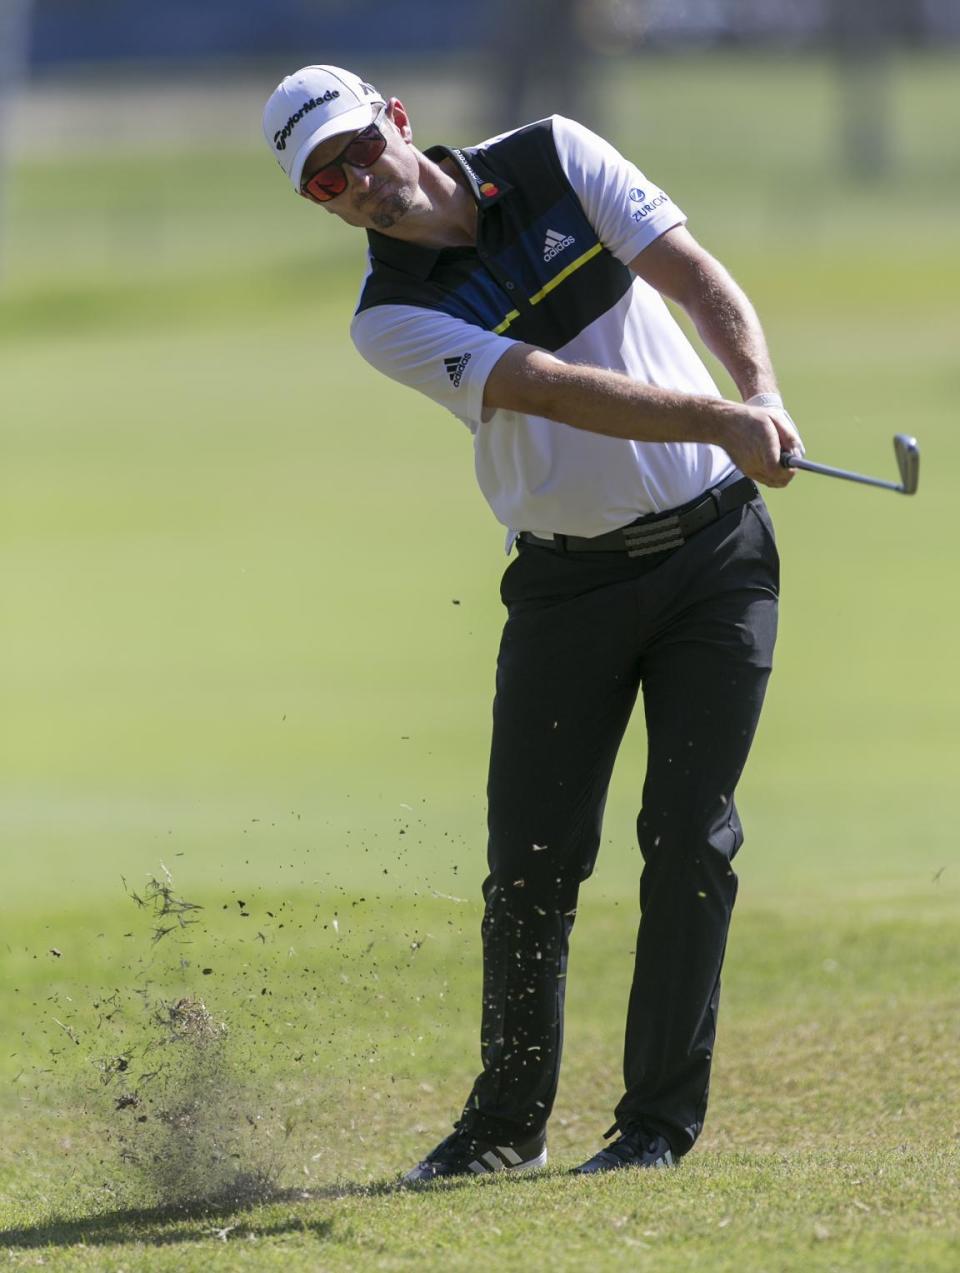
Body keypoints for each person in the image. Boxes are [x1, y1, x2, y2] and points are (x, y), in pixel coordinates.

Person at [262, 65, 803, 1180]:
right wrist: (722, 415)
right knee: (531, 868)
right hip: (568, 590)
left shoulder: (554, 154)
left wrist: (763, 396)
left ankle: (654, 1126)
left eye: (358, 148)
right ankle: (506, 1126)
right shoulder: (390, 317)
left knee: (691, 836)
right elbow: (549, 386)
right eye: (326, 183)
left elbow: (692, 275)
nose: (357, 182)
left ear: (397, 119)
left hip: (717, 558)